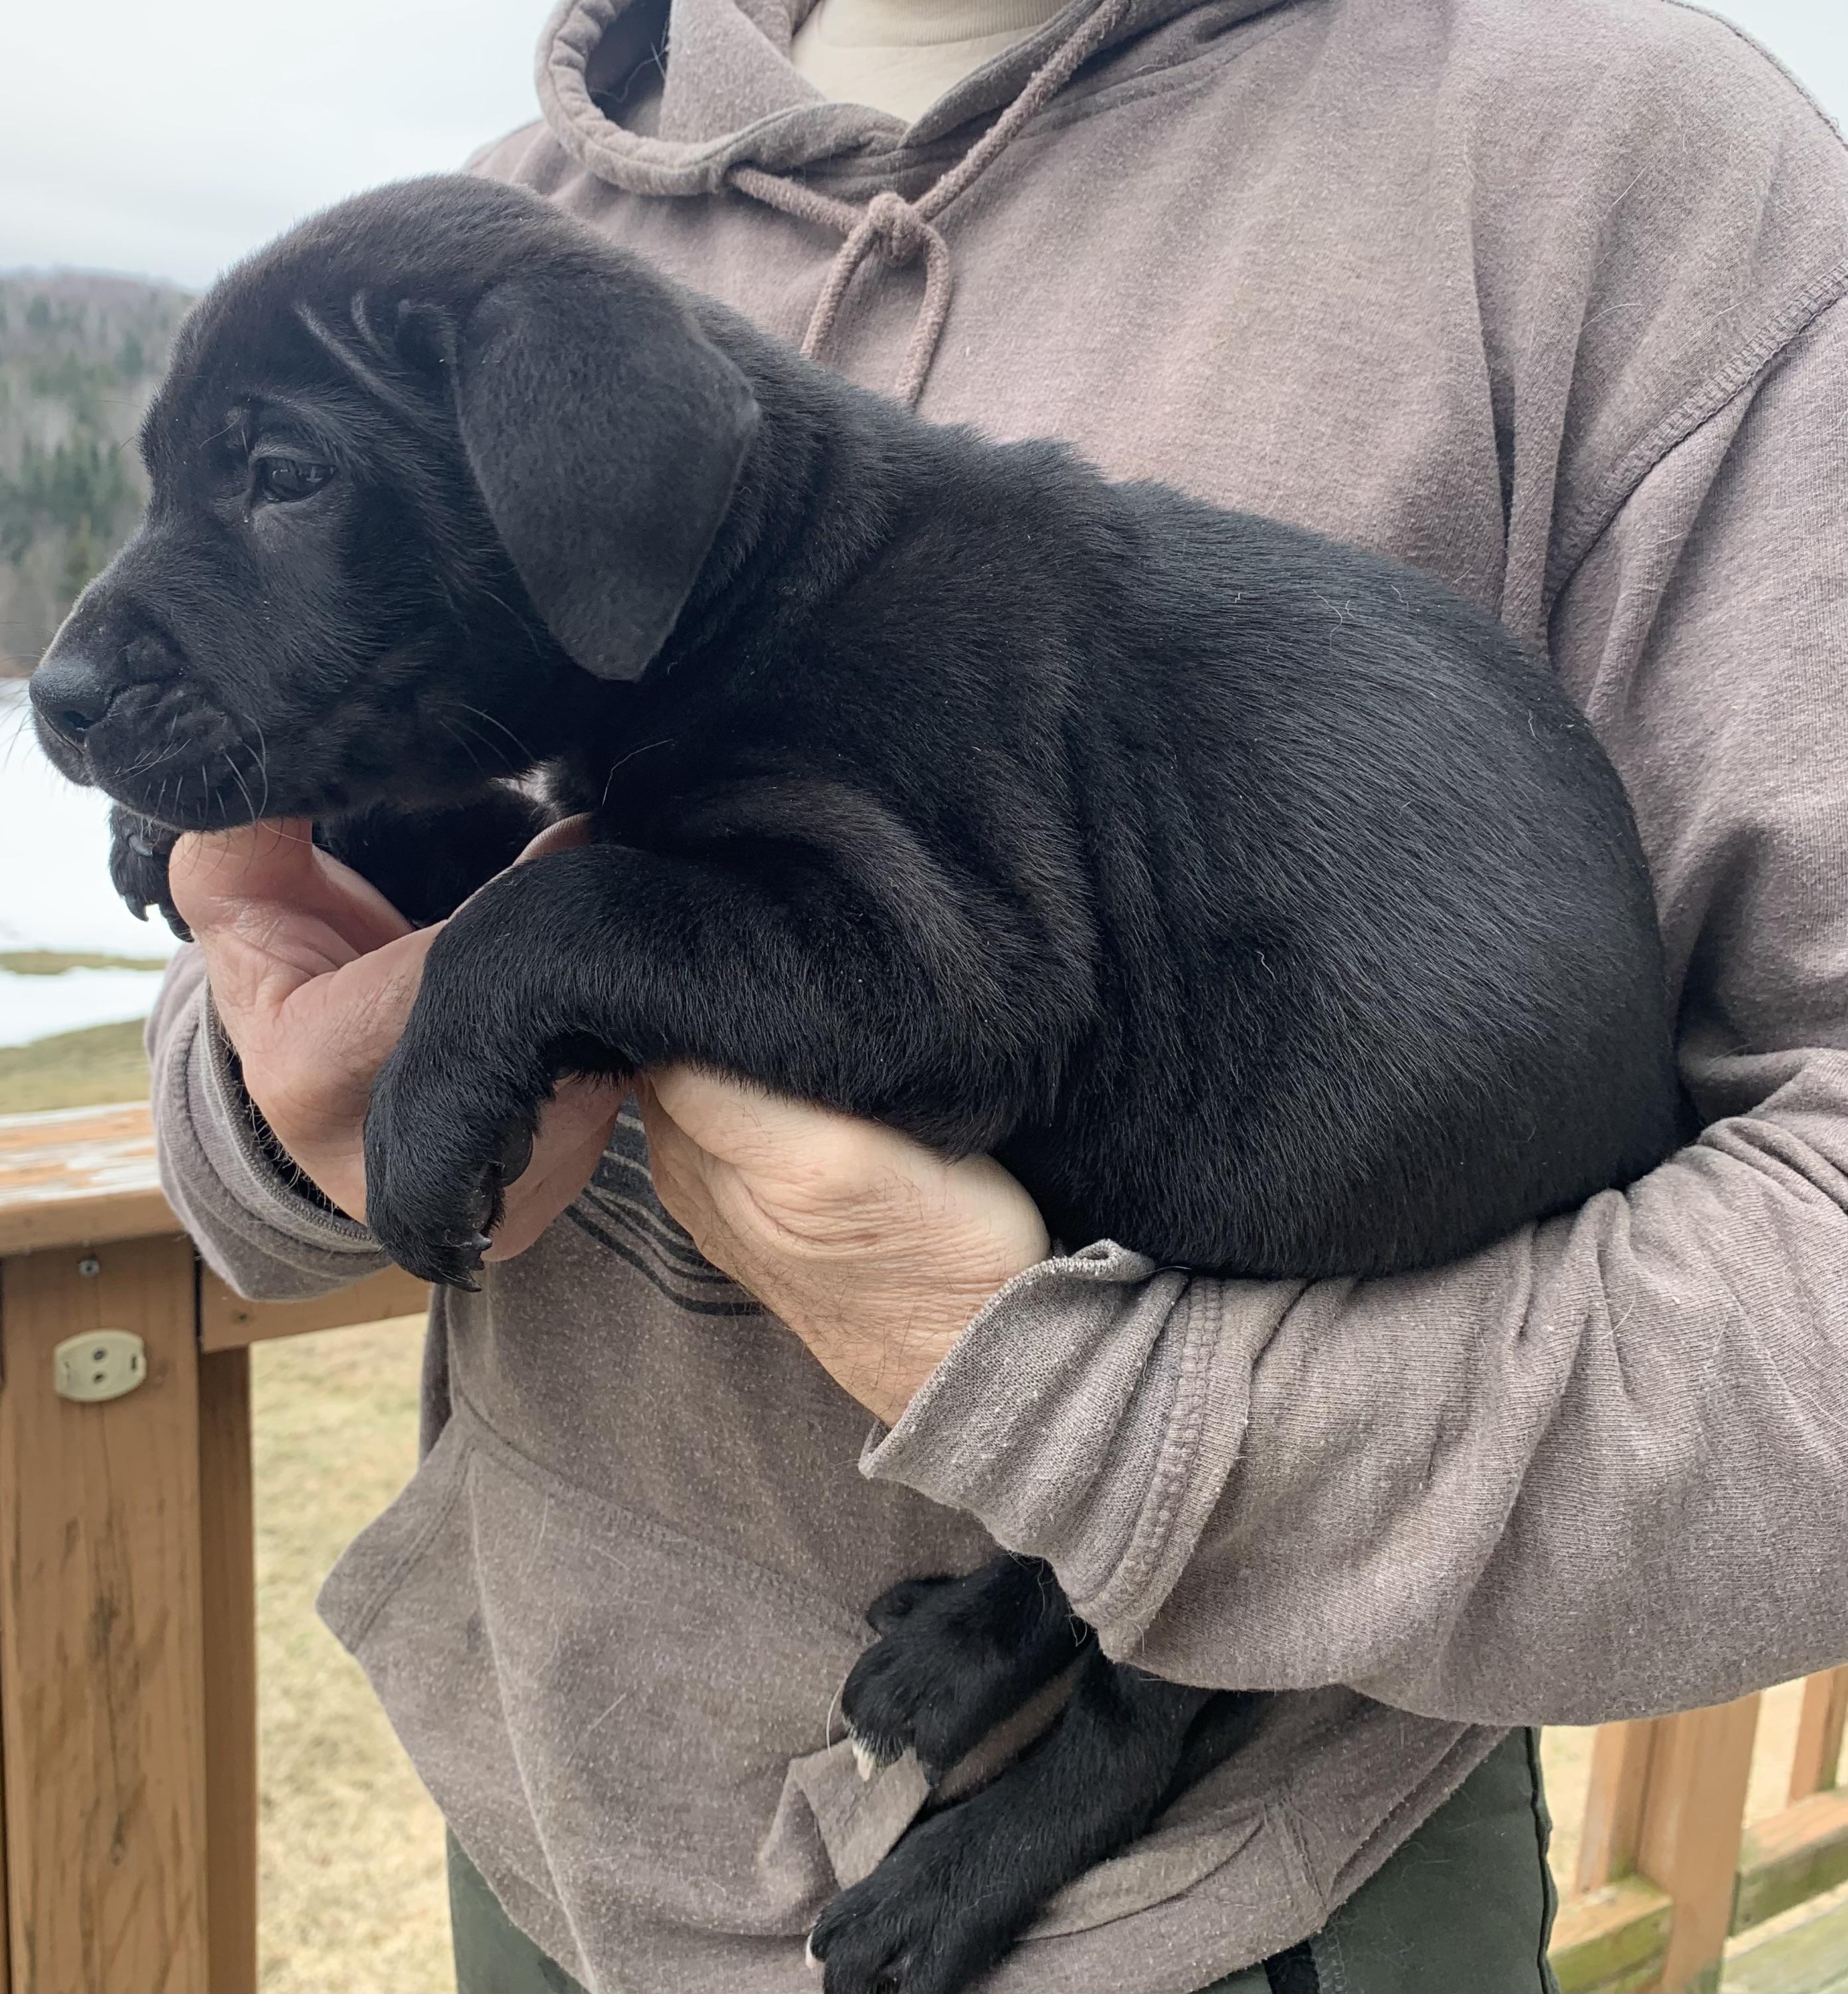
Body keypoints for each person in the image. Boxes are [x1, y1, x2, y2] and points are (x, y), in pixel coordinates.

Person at [148, 0, 1848, 1988]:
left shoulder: (1604, 160)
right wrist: (278, 1062)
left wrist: (1074, 1401)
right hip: (554, 1818)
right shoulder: (491, 239)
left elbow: (918, 981)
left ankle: (1092, 1724)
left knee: (1215, 1195)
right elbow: (475, 811)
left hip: (1245, 1892)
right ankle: (1052, 1622)